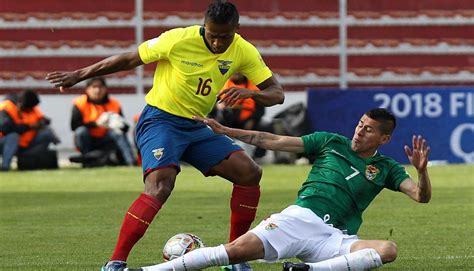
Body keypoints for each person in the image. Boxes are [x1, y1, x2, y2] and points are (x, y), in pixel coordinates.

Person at [45, 1, 284, 270]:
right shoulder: (177, 39)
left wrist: (253, 93)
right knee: (161, 186)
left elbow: (277, 93)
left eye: (224, 37)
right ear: (204, 26)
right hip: (161, 120)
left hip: (197, 126)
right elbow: (129, 58)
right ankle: (115, 262)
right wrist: (79, 74)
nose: (217, 43)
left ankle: (235, 259)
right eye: (212, 35)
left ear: (236, 29)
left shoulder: (243, 50)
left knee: (249, 172)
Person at [124, 108, 432, 271]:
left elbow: (420, 196)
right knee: (232, 253)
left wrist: (422, 172)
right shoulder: (331, 142)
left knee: (387, 250)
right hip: (298, 220)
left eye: (368, 130)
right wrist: (226, 131)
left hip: (334, 238)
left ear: (384, 139)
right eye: (360, 124)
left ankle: (307, 270)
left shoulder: (388, 169)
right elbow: (271, 140)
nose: (359, 131)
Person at [70, 76, 136, 167]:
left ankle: (130, 162)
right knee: (81, 131)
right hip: (88, 139)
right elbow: (74, 126)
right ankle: (87, 160)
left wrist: (117, 125)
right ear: (87, 89)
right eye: (94, 87)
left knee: (118, 133)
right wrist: (97, 124)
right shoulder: (79, 103)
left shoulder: (115, 103)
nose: (97, 90)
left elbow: (125, 128)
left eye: (100, 87)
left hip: (107, 139)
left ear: (105, 89)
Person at [212, 73, 268, 160]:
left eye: (238, 71)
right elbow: (212, 104)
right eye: (234, 71)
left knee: (266, 126)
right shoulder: (222, 84)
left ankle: (258, 157)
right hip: (226, 120)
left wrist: (253, 120)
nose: (235, 74)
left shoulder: (254, 87)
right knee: (211, 128)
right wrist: (218, 106)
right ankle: (217, 156)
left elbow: (261, 109)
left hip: (247, 120)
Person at [0, 90, 60, 171]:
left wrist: (41, 123)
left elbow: (45, 120)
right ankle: (5, 166)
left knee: (46, 134)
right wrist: (29, 126)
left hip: (26, 144)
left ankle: (28, 162)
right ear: (21, 104)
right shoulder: (6, 107)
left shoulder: (31, 106)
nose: (30, 110)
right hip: (5, 143)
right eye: (28, 109)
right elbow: (5, 129)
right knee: (13, 136)